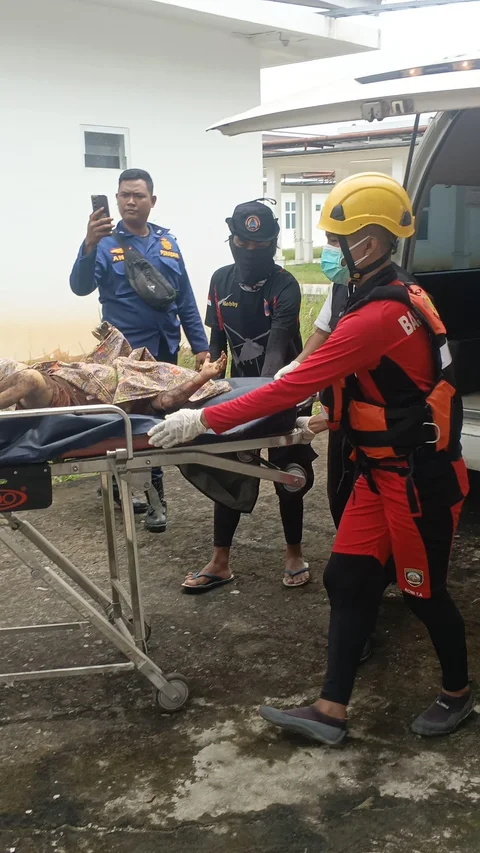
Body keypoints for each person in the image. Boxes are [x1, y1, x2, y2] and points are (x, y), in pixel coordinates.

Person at [148, 174, 473, 742]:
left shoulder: (377, 315)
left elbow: (288, 385)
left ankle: (458, 693)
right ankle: (330, 710)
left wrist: (201, 421)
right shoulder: (390, 291)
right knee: (345, 578)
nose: (328, 248)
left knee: (423, 592)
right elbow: (395, 388)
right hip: (380, 471)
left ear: (368, 241)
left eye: (335, 239)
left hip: (417, 481)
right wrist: (326, 420)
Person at [182, 198, 315, 593]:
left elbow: (276, 352)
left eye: (260, 244)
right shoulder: (220, 280)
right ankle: (219, 561)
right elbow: (216, 343)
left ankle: (294, 553)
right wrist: (207, 386)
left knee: (288, 473)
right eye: (243, 243)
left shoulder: (284, 285)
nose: (251, 251)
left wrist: (260, 401)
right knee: (230, 468)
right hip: (237, 391)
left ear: (273, 243)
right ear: (232, 241)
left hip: (285, 390)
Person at [70, 168, 209, 530]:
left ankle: (131, 487)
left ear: (152, 200)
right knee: (130, 421)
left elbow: (184, 298)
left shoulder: (167, 244)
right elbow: (80, 287)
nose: (130, 201)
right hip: (125, 356)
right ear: (116, 199)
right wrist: (88, 244)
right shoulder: (104, 244)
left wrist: (200, 345)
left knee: (158, 419)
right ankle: (153, 497)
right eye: (124, 195)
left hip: (164, 349)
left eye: (138, 195)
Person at [0, 323, 227, 413]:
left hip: (65, 397)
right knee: (8, 366)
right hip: (59, 375)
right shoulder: (131, 369)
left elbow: (169, 401)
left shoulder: (150, 398)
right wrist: (112, 337)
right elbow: (115, 358)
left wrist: (202, 377)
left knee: (28, 379)